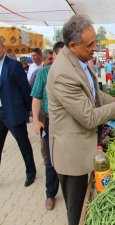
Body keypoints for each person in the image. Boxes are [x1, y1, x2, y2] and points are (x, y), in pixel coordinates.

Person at [46, 15, 115, 225]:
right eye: (90, 44)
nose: (94, 48)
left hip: (86, 148)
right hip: (73, 157)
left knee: (90, 203)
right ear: (72, 45)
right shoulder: (62, 73)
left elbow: (94, 96)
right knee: (77, 214)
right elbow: (88, 117)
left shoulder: (79, 61)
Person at [31, 41, 64, 210]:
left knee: (66, 157)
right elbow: (36, 98)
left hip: (67, 123)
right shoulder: (43, 74)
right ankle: (50, 194)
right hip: (49, 121)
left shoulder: (72, 73)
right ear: (55, 56)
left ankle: (68, 191)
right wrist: (36, 121)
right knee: (50, 159)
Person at [0, 40, 36, 187]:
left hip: (14, 113)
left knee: (23, 145)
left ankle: (31, 172)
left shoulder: (13, 65)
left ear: (2, 47)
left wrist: (31, 110)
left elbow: (25, 89)